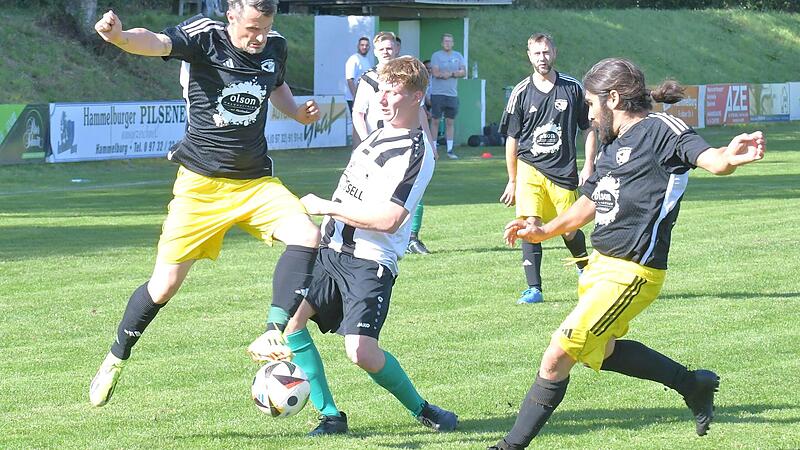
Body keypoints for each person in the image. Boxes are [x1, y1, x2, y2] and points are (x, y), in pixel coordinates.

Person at [489, 57, 766, 449]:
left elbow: (710, 159)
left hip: (633, 272)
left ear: (614, 99)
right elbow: (590, 201)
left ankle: (508, 446)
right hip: (599, 268)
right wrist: (545, 230)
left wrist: (728, 157)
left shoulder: (663, 130)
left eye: (590, 103)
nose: (588, 113)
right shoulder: (613, 144)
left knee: (556, 356)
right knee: (600, 352)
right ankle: (692, 384)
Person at [88, 0, 322, 407]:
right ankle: (116, 357)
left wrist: (297, 113)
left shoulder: (275, 46)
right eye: (251, 28)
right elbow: (156, 42)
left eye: (265, 28)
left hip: (255, 183)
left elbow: (277, 86)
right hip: (201, 186)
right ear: (231, 16)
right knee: (163, 286)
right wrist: (120, 37)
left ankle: (273, 330)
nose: (259, 37)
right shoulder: (205, 36)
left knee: (308, 234)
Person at [278, 56, 458, 436]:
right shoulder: (376, 135)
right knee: (292, 324)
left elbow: (391, 219)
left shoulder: (417, 153)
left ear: (417, 97)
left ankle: (423, 409)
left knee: (360, 352)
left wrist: (327, 207)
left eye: (394, 92)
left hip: (370, 261)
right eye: (382, 91)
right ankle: (331, 417)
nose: (383, 99)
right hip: (331, 251)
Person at [499, 33, 596, 304]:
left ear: (554, 53)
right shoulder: (520, 92)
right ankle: (534, 289)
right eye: (537, 53)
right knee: (530, 224)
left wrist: (588, 164)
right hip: (529, 167)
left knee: (569, 228)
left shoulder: (572, 88)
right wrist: (512, 180)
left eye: (546, 52)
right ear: (529, 56)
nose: (542, 58)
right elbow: (512, 139)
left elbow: (588, 128)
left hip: (563, 170)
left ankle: (584, 270)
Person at [353, 32, 438, 254]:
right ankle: (367, 235)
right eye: (382, 49)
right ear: (375, 51)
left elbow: (420, 112)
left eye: (389, 48)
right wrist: (366, 142)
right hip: (378, 143)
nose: (386, 52)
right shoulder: (368, 78)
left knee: (412, 188)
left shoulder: (408, 79)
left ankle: (412, 237)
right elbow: (358, 112)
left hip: (405, 141)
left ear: (397, 49)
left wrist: (430, 141)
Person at [429, 33, 465, 159]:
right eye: (445, 41)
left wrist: (451, 73)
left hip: (452, 94)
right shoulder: (436, 56)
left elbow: (463, 72)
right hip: (437, 93)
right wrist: (445, 74)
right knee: (435, 121)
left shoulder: (458, 56)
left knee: (450, 122)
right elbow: (436, 72)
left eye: (450, 41)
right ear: (442, 43)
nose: (447, 43)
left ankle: (450, 150)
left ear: (453, 43)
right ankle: (433, 149)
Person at [345, 37, 372, 115]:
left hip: (364, 98)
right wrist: (356, 98)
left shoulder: (366, 60)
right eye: (362, 45)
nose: (364, 47)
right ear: (358, 46)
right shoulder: (354, 59)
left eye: (366, 45)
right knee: (357, 121)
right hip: (354, 99)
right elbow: (350, 80)